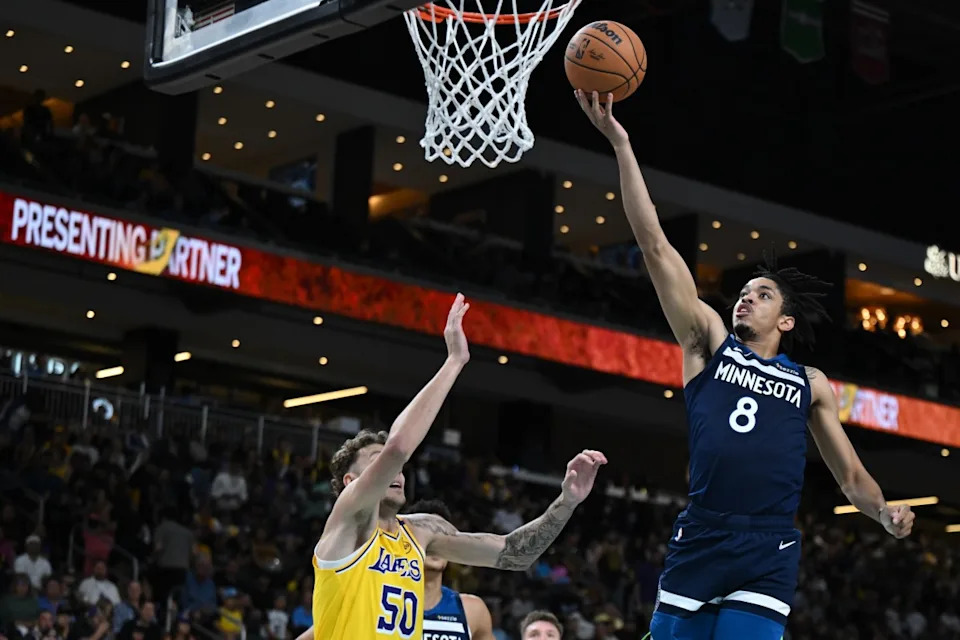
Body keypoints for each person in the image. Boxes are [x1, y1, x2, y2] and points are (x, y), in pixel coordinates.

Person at [575, 89, 914, 640]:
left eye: (762, 294)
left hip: (768, 545)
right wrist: (621, 144)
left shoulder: (811, 383)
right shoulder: (707, 343)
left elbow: (851, 477)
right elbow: (656, 246)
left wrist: (884, 514)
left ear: (785, 322)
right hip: (703, 535)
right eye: (744, 291)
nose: (745, 298)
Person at [308, 294, 607, 639]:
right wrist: (454, 362)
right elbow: (398, 448)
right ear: (351, 482)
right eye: (376, 465)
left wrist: (566, 502)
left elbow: (514, 555)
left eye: (396, 468)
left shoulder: (420, 533)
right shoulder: (348, 522)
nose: (396, 473)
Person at [406, 499, 493, 640]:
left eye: (442, 536)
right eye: (429, 536)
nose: (437, 545)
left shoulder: (472, 611)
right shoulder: (376, 601)